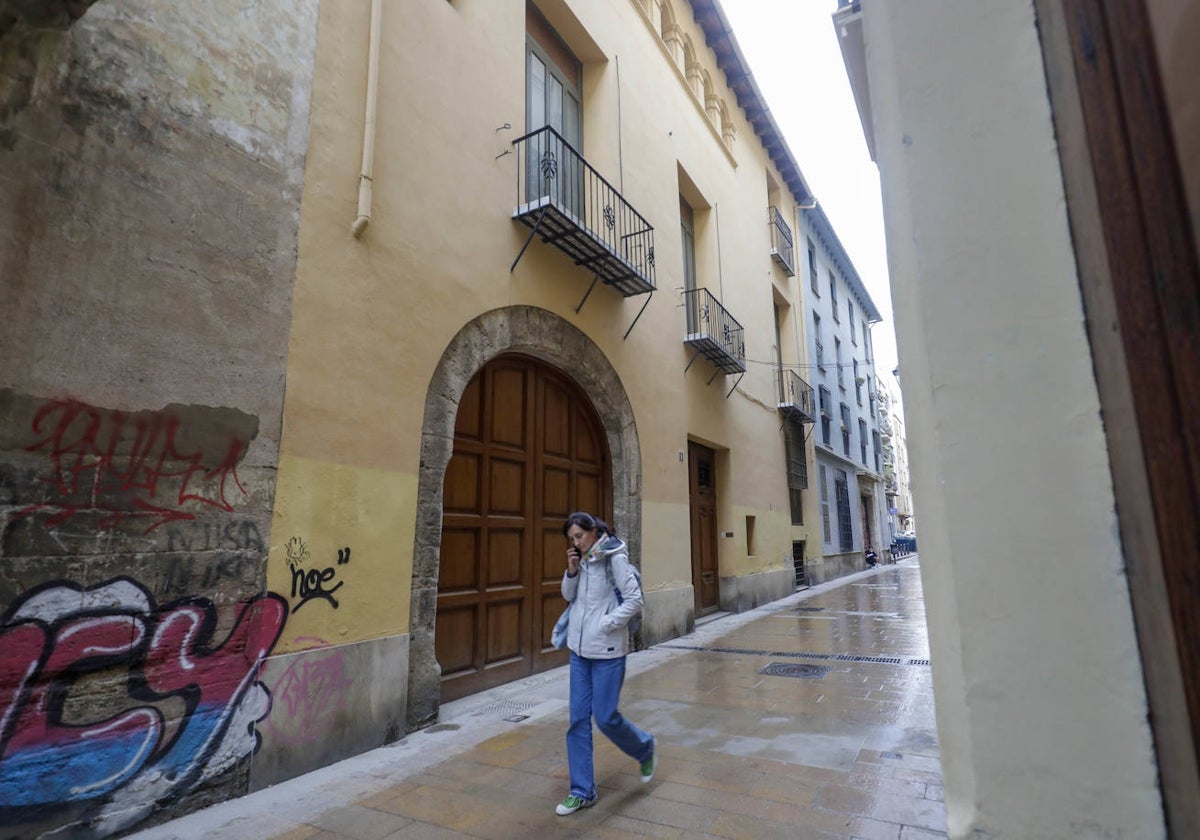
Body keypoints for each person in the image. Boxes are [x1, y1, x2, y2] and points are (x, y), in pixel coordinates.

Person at [555, 511, 656, 816]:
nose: (576, 543)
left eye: (579, 536)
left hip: (608, 651)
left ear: (594, 531)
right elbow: (568, 596)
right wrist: (571, 570)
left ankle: (644, 747)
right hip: (579, 651)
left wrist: (606, 624)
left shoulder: (615, 557)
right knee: (577, 720)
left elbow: (635, 600)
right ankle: (582, 791)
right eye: (572, 539)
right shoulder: (582, 560)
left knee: (606, 717)